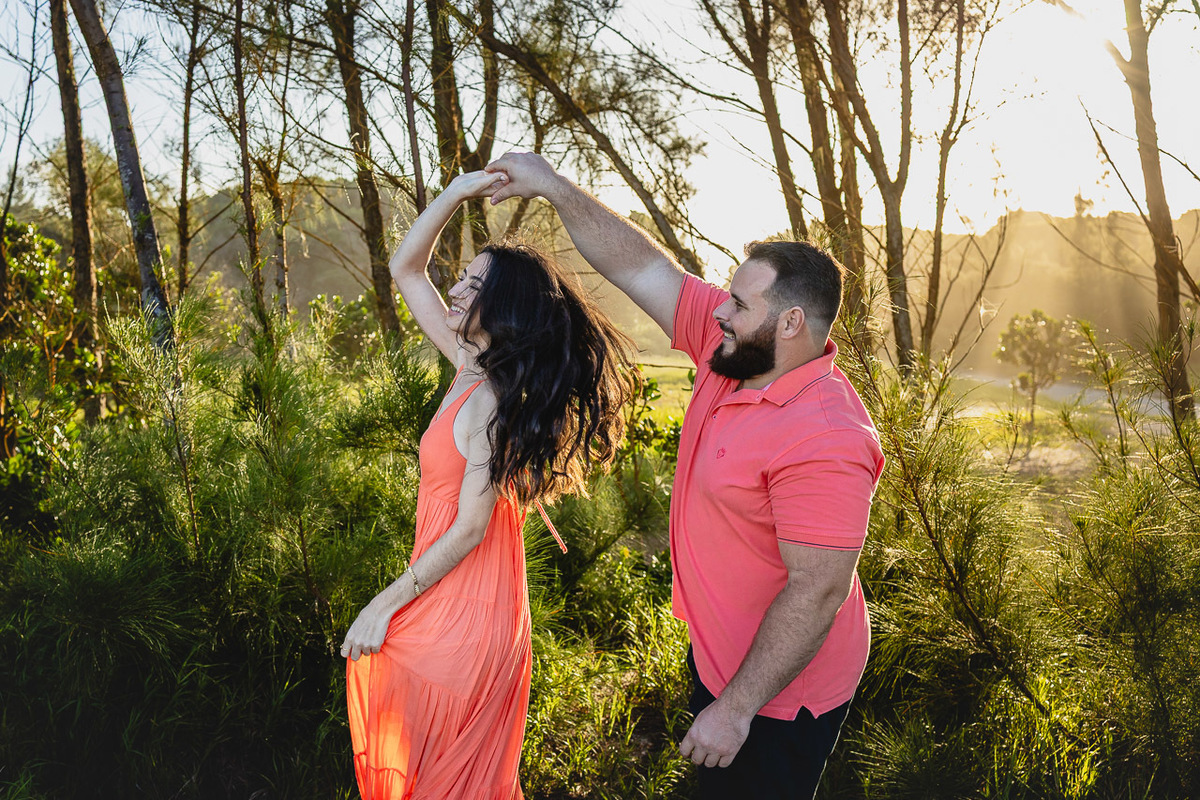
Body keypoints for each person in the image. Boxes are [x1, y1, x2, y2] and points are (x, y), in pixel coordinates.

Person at [484, 152, 885, 800]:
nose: (719, 311)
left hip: (781, 696)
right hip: (725, 662)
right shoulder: (730, 350)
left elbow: (817, 592)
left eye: (738, 302)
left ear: (791, 323)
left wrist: (735, 710)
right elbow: (640, 265)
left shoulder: (827, 436)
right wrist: (553, 187)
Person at [341, 169, 636, 800]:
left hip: (468, 610)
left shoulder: (489, 403)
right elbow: (406, 268)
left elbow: (471, 527)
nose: (452, 287)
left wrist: (382, 602)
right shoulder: (468, 365)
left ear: (499, 308)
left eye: (471, 284)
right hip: (461, 599)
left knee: (443, 775)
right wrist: (456, 193)